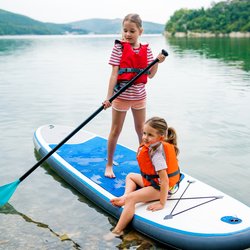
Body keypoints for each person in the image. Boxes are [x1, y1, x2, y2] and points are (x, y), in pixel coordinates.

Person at [103, 13, 166, 178]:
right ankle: (109, 165)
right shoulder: (119, 48)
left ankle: (145, 164)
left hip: (139, 96)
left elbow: (150, 75)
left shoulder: (146, 49)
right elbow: (114, 74)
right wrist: (108, 97)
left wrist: (157, 62)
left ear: (140, 31)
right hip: (121, 97)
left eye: (132, 31)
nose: (128, 34)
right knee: (115, 130)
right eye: (125, 30)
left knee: (141, 131)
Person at [107, 116, 181, 237]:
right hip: (154, 183)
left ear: (160, 137)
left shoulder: (158, 156)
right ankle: (124, 197)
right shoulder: (152, 146)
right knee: (130, 176)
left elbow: (165, 181)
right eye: (144, 133)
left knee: (132, 198)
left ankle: (117, 231)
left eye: (150, 135)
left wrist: (162, 203)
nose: (145, 137)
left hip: (163, 189)